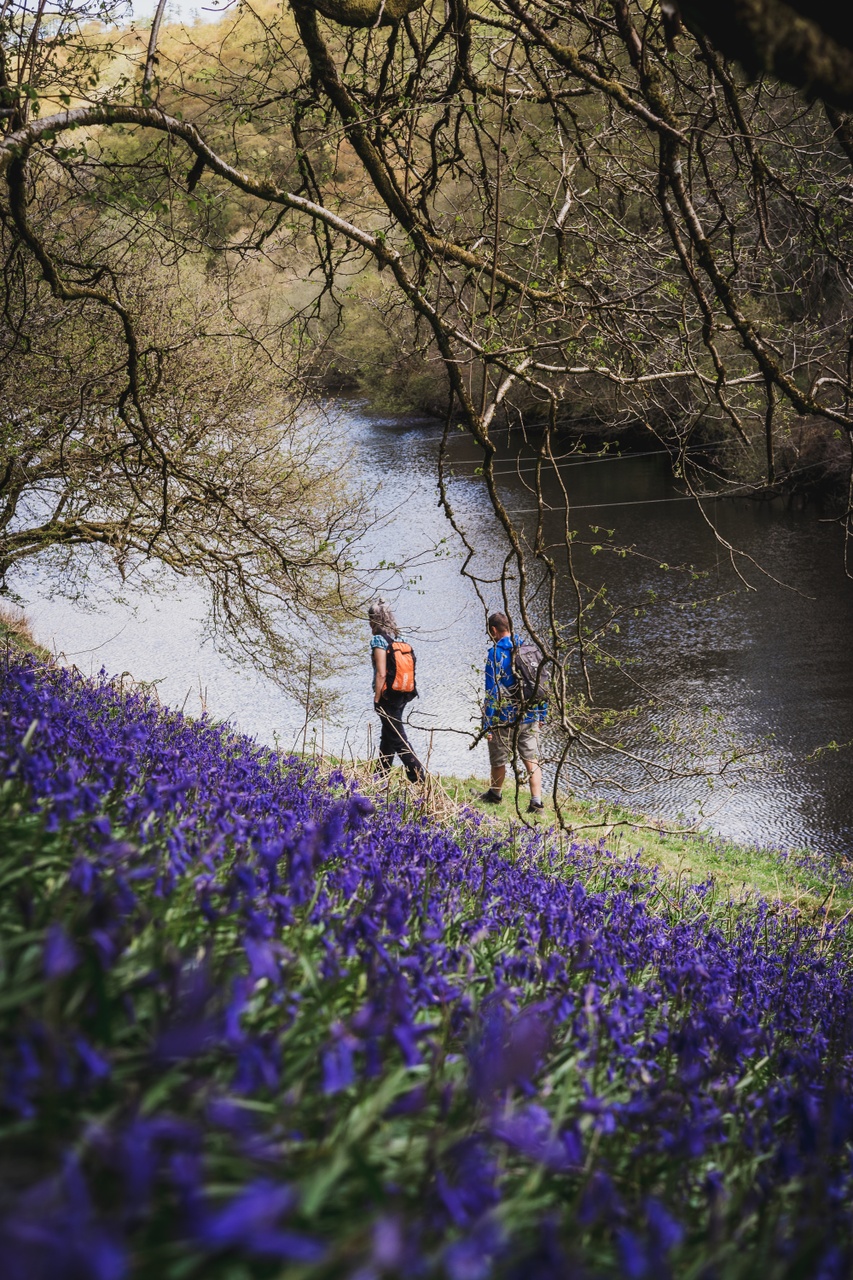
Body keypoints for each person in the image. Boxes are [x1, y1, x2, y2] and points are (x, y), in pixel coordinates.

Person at [480, 611, 546, 814]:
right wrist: (542, 713)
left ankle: (495, 795)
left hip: (506, 716)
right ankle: (537, 803)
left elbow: (492, 692)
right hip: (531, 712)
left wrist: (487, 724)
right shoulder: (529, 648)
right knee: (531, 758)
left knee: (499, 758)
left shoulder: (496, 654)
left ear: (493, 630)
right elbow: (541, 682)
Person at [367, 598, 426, 784]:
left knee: (398, 738)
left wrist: (377, 699)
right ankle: (379, 777)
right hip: (403, 693)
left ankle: (419, 779)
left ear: (374, 620)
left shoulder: (379, 640)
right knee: (388, 735)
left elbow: (382, 674)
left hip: (387, 696)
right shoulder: (400, 638)